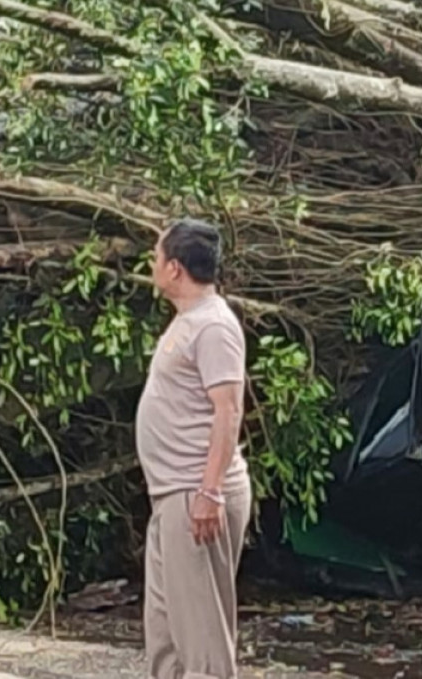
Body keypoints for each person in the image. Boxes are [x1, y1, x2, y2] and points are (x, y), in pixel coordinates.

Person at [136, 218, 251, 679]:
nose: (152, 263)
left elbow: (229, 410)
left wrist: (210, 491)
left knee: (202, 641)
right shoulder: (188, 322)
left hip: (196, 495)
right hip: (172, 497)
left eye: (156, 255)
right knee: (165, 633)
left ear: (175, 268)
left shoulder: (214, 326)